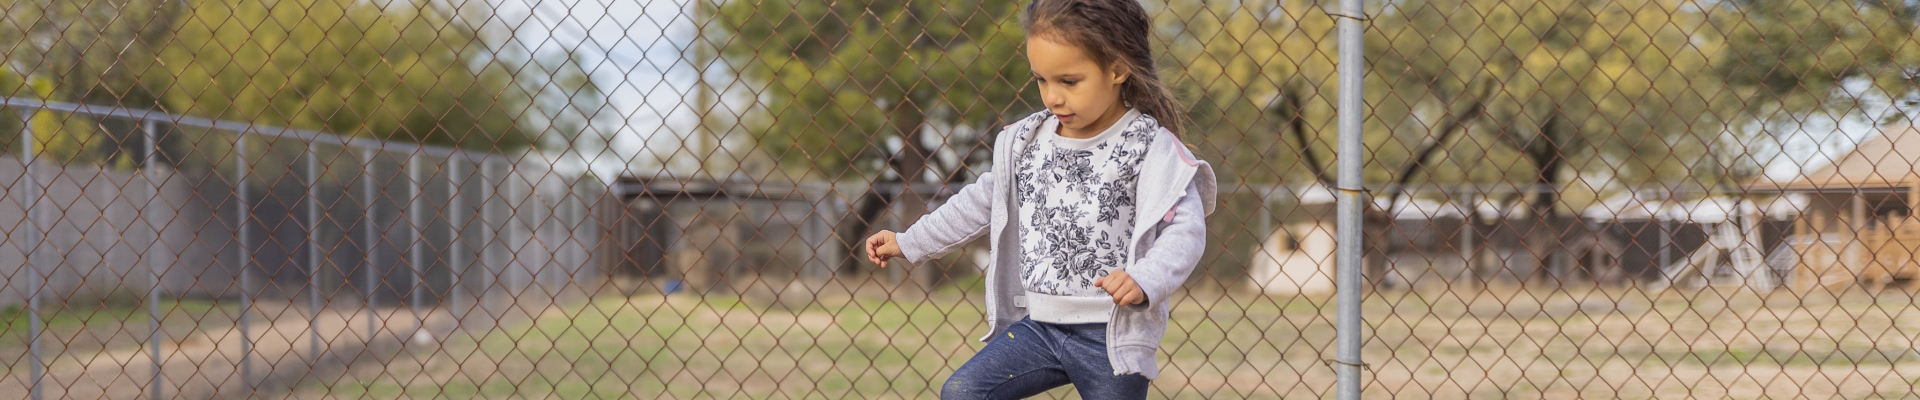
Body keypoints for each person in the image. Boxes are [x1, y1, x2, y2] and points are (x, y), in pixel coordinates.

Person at [863, 0, 1216, 397]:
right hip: (1039, 327)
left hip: (1111, 338)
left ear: (1117, 68)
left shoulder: (1150, 147)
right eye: (1041, 80)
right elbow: (978, 203)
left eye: (1068, 81)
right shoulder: (1026, 143)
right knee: (963, 392)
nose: (1052, 97)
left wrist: (1145, 279)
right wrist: (909, 241)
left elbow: (1186, 230)